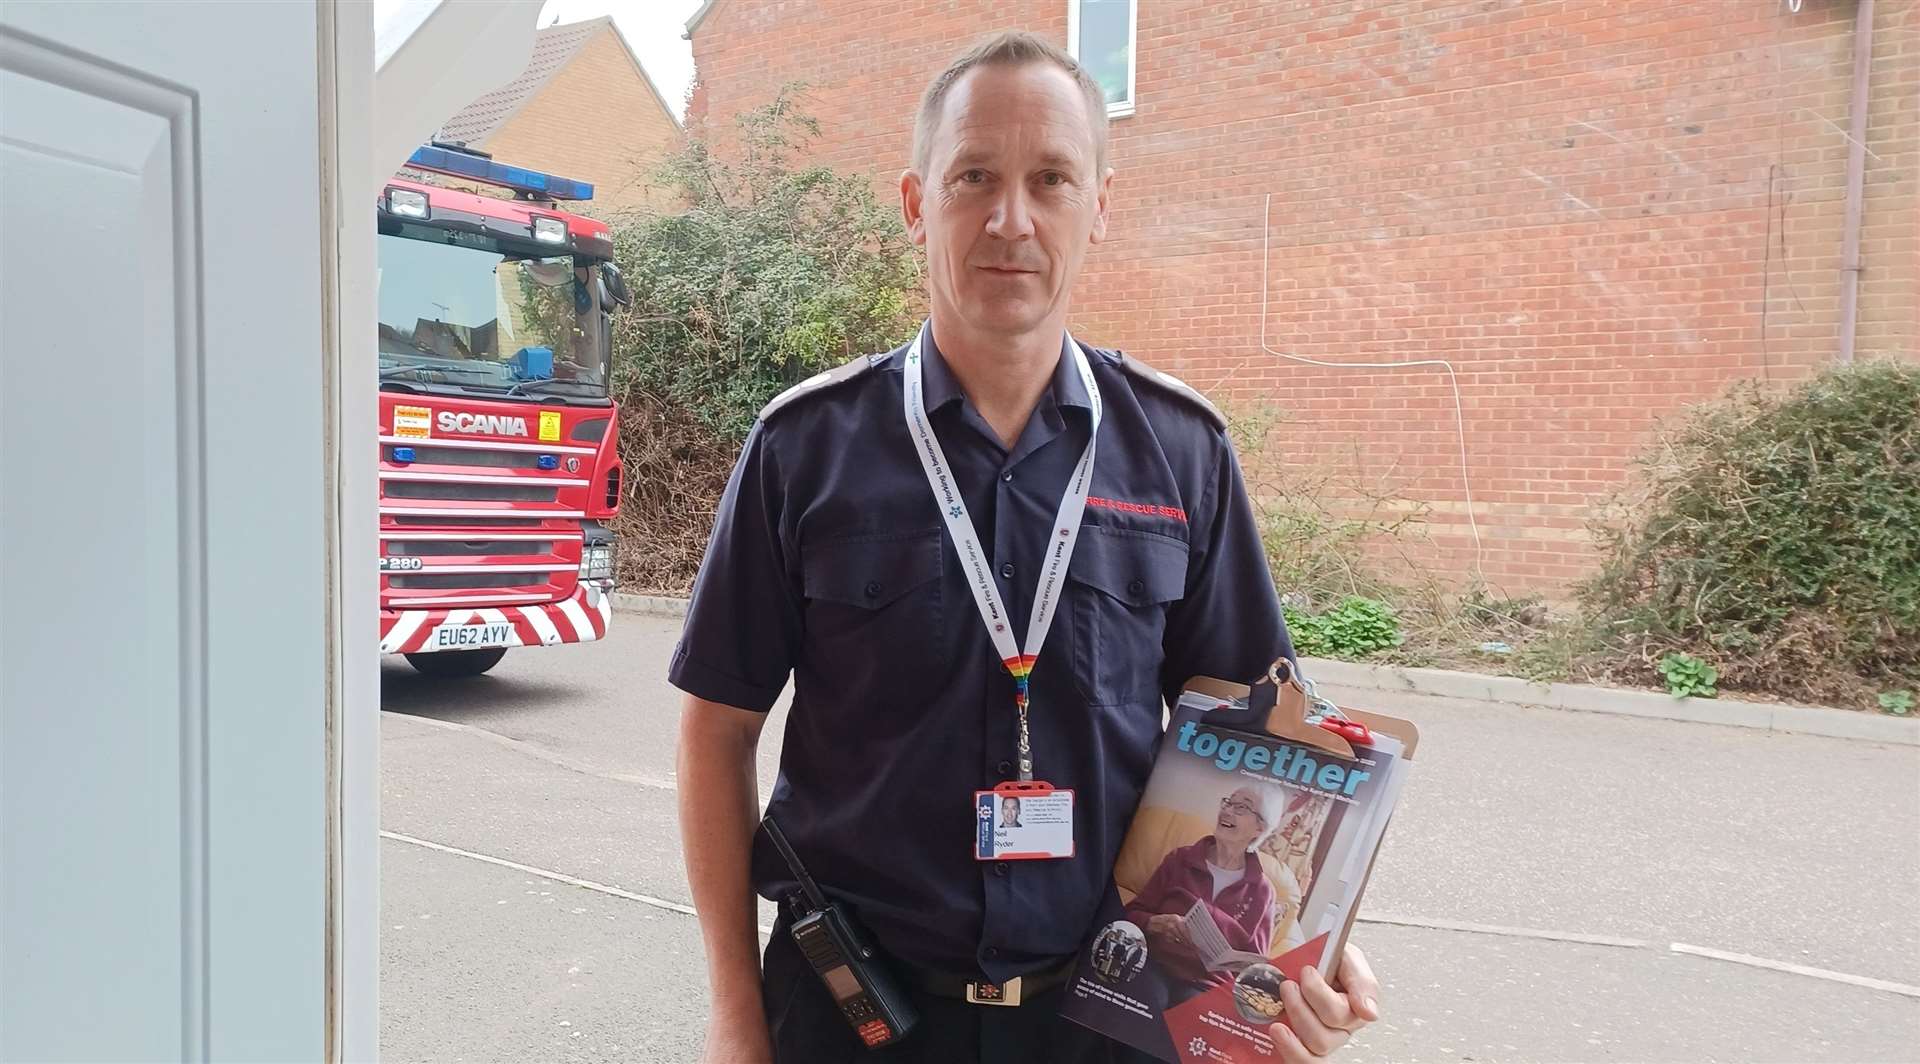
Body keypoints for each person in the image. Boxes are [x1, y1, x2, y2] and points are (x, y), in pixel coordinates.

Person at [672, 30, 1381, 1064]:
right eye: (974, 178)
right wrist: (736, 1014)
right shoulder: (804, 448)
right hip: (851, 1012)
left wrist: (1316, 948)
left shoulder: (1181, 453)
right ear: (918, 204)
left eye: (1051, 178)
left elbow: (1267, 741)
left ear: (1099, 204)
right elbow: (716, 731)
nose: (1011, 219)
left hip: (1108, 1015)